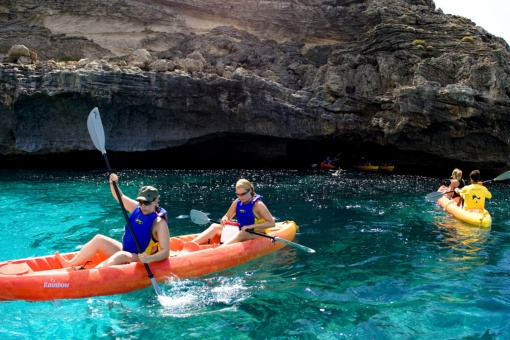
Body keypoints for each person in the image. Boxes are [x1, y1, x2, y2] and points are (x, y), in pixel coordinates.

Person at [55, 173, 170, 269]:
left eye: (147, 202)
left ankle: (91, 273)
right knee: (99, 238)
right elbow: (120, 196)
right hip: (127, 250)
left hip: (141, 257)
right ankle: (70, 264)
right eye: (141, 202)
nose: (143, 206)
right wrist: (113, 183)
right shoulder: (137, 208)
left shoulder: (159, 223)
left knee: (122, 255)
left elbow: (165, 252)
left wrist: (149, 258)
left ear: (156, 200)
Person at [191, 178, 275, 246]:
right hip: (241, 230)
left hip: (255, 233)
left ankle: (220, 250)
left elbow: (272, 223)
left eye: (243, 194)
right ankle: (189, 245)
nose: (240, 197)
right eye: (238, 194)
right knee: (215, 226)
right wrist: (224, 219)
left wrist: (250, 226)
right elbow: (227, 216)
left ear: (249, 190)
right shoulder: (237, 202)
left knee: (241, 234)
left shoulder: (258, 205)